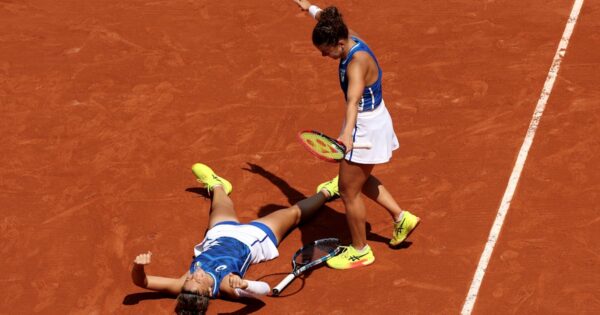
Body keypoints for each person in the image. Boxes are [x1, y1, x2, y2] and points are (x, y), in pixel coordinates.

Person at [291, 0, 420, 270]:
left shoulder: (355, 65)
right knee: (358, 178)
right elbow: (326, 19)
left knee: (348, 191)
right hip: (377, 119)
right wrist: (309, 7)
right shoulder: (350, 37)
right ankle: (401, 217)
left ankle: (360, 250)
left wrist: (346, 134)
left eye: (326, 51)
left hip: (363, 128)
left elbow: (352, 102)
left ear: (339, 44)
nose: (324, 56)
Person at [130, 163, 337, 314]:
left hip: (219, 234)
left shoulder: (185, 286)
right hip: (254, 239)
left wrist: (138, 266)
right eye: (197, 280)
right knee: (294, 214)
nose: (193, 276)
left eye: (190, 279)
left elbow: (143, 282)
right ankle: (328, 191)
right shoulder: (226, 286)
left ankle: (217, 185)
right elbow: (264, 291)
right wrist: (246, 285)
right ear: (207, 292)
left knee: (220, 204)